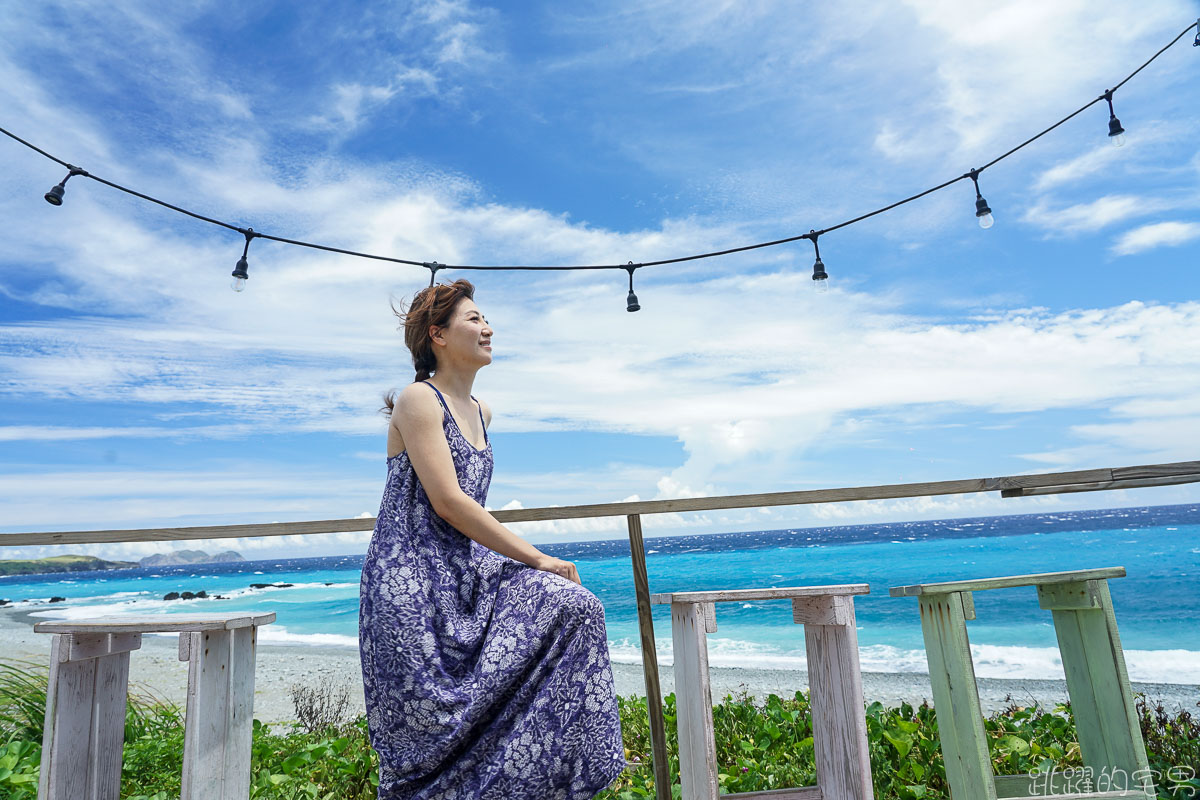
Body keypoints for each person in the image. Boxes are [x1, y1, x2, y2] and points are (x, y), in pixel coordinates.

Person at [359, 279, 628, 800]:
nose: (488, 328)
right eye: (474, 319)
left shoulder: (484, 412)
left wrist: (531, 568)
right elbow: (449, 501)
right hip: (410, 585)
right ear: (437, 334)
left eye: (485, 319)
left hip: (467, 574)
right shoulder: (419, 399)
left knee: (575, 607)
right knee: (423, 737)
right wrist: (537, 557)